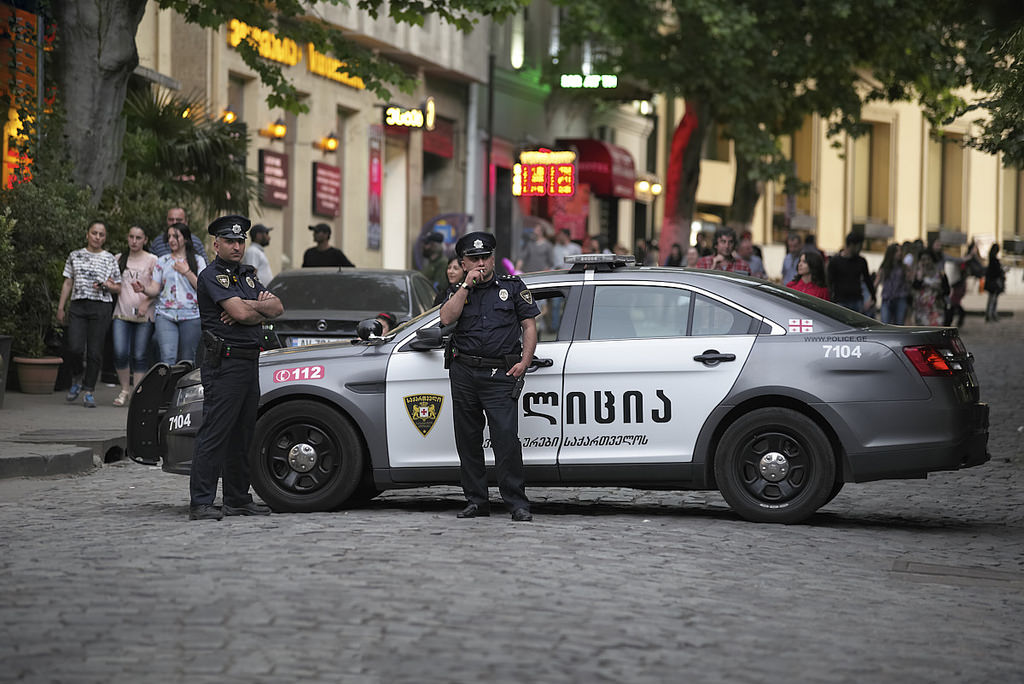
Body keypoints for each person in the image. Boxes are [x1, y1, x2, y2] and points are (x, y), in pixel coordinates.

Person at [439, 231, 540, 522]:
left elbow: (529, 325)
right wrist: (465, 287)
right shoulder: (459, 289)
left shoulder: (512, 286)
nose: (481, 263)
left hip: (500, 373)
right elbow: (446, 319)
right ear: (464, 262)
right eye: (474, 259)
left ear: (494, 258)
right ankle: (475, 501)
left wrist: (525, 360)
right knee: (468, 440)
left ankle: (517, 503)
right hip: (465, 372)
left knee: (506, 441)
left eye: (486, 257)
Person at [188, 215, 284, 521]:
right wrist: (252, 306)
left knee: (243, 435)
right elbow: (240, 312)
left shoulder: (247, 276)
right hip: (224, 364)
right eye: (230, 241)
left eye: (241, 241)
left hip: (248, 361)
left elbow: (277, 308)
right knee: (215, 433)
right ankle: (201, 501)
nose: (236, 246)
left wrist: (247, 306)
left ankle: (237, 499)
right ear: (216, 244)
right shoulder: (212, 276)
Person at [56, 220, 122, 408]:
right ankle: (77, 376)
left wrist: (107, 286)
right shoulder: (75, 255)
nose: (97, 237)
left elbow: (118, 287)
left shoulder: (109, 258)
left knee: (94, 350)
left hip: (101, 306)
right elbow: (68, 282)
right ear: (87, 235)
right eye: (94, 233)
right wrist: (61, 307)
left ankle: (89, 390)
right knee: (75, 347)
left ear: (105, 238)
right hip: (78, 305)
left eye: (101, 234)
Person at [143, 223, 207, 365]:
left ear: (185, 239)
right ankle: (168, 388)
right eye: (169, 236)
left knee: (187, 360)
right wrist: (143, 289)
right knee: (167, 358)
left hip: (192, 314)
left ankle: (184, 388)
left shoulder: (198, 260)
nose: (171, 240)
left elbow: (203, 289)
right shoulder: (162, 261)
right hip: (165, 314)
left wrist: (187, 271)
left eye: (176, 236)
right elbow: (155, 288)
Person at [111, 226, 158, 406]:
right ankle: (124, 389)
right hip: (121, 313)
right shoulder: (119, 258)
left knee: (139, 355)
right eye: (131, 237)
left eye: (138, 237)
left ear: (145, 240)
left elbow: (158, 287)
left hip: (144, 315)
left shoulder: (152, 260)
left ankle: (137, 392)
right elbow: (114, 283)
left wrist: (146, 302)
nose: (134, 241)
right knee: (120, 352)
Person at [827, 232, 874, 314]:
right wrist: (830, 299)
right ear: (852, 245)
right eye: (859, 245)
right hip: (841, 300)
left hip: (857, 299)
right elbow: (829, 281)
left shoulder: (861, 261)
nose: (861, 248)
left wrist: (873, 296)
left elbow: (867, 279)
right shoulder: (835, 261)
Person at [875, 243, 911, 325]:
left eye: (900, 251)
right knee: (885, 323)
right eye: (897, 251)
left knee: (899, 324)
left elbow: (909, 282)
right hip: (887, 298)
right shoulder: (884, 267)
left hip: (900, 298)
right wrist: (872, 296)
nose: (899, 253)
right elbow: (877, 282)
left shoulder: (904, 267)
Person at [911, 251, 948, 326]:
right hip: (921, 310)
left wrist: (938, 290)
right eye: (923, 260)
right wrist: (920, 274)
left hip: (936, 308)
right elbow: (915, 287)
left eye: (928, 259)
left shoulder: (940, 273)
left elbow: (947, 290)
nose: (926, 262)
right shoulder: (919, 273)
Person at [984, 243, 1005, 322]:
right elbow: (997, 271)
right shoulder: (995, 260)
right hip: (994, 281)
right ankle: (991, 314)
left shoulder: (991, 259)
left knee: (991, 299)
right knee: (993, 299)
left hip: (991, 281)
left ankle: (990, 314)